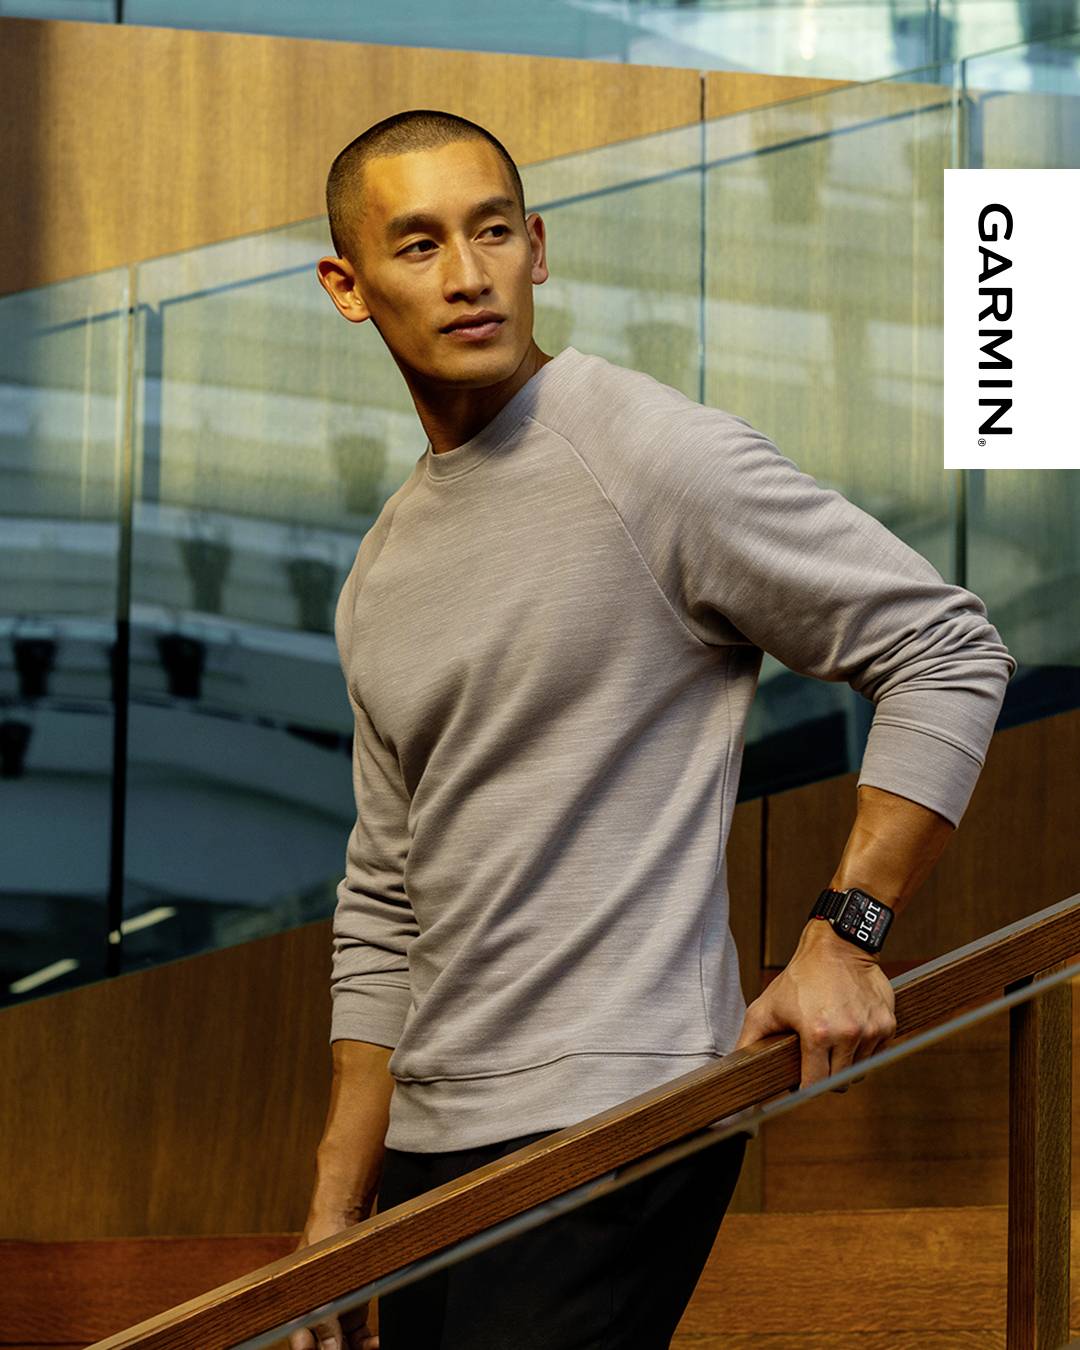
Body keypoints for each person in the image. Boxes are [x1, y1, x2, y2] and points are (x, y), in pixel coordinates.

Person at [290, 109, 1016, 1350]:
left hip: (616, 1116)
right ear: (347, 288)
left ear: (539, 250)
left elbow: (946, 648)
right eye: (418, 246)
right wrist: (332, 1213)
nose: (468, 275)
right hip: (430, 1143)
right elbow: (385, 892)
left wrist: (848, 933)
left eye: (494, 231)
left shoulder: (647, 455)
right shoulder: (381, 566)